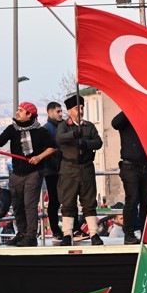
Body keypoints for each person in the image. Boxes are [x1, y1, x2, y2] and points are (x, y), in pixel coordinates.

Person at [0, 102, 57, 247]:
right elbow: (0, 140)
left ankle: (31, 236)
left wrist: (39, 157)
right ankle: (22, 233)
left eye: (21, 110)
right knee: (17, 205)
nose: (17, 112)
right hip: (16, 174)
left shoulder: (40, 131)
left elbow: (53, 147)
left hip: (34, 172)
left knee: (30, 205)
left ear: (29, 115)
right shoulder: (12, 129)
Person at [56, 94, 104, 246]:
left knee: (89, 202)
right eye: (77, 108)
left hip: (86, 168)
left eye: (82, 107)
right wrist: (73, 134)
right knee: (68, 203)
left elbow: (98, 142)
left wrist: (86, 144)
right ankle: (67, 234)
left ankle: (94, 233)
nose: (81, 110)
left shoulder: (89, 126)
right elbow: (59, 138)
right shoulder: (64, 125)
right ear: (70, 111)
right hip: (69, 168)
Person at [111, 111, 147, 245]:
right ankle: (128, 234)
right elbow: (115, 123)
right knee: (132, 200)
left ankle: (146, 233)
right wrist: (129, 108)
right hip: (130, 165)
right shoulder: (127, 116)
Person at [43, 102, 65, 242]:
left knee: (68, 200)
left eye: (61, 111)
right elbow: (47, 152)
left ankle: (70, 229)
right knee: (54, 201)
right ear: (50, 113)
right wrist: (58, 166)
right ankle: (56, 230)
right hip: (52, 171)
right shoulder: (46, 129)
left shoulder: (63, 126)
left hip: (64, 170)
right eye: (58, 111)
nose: (61, 114)